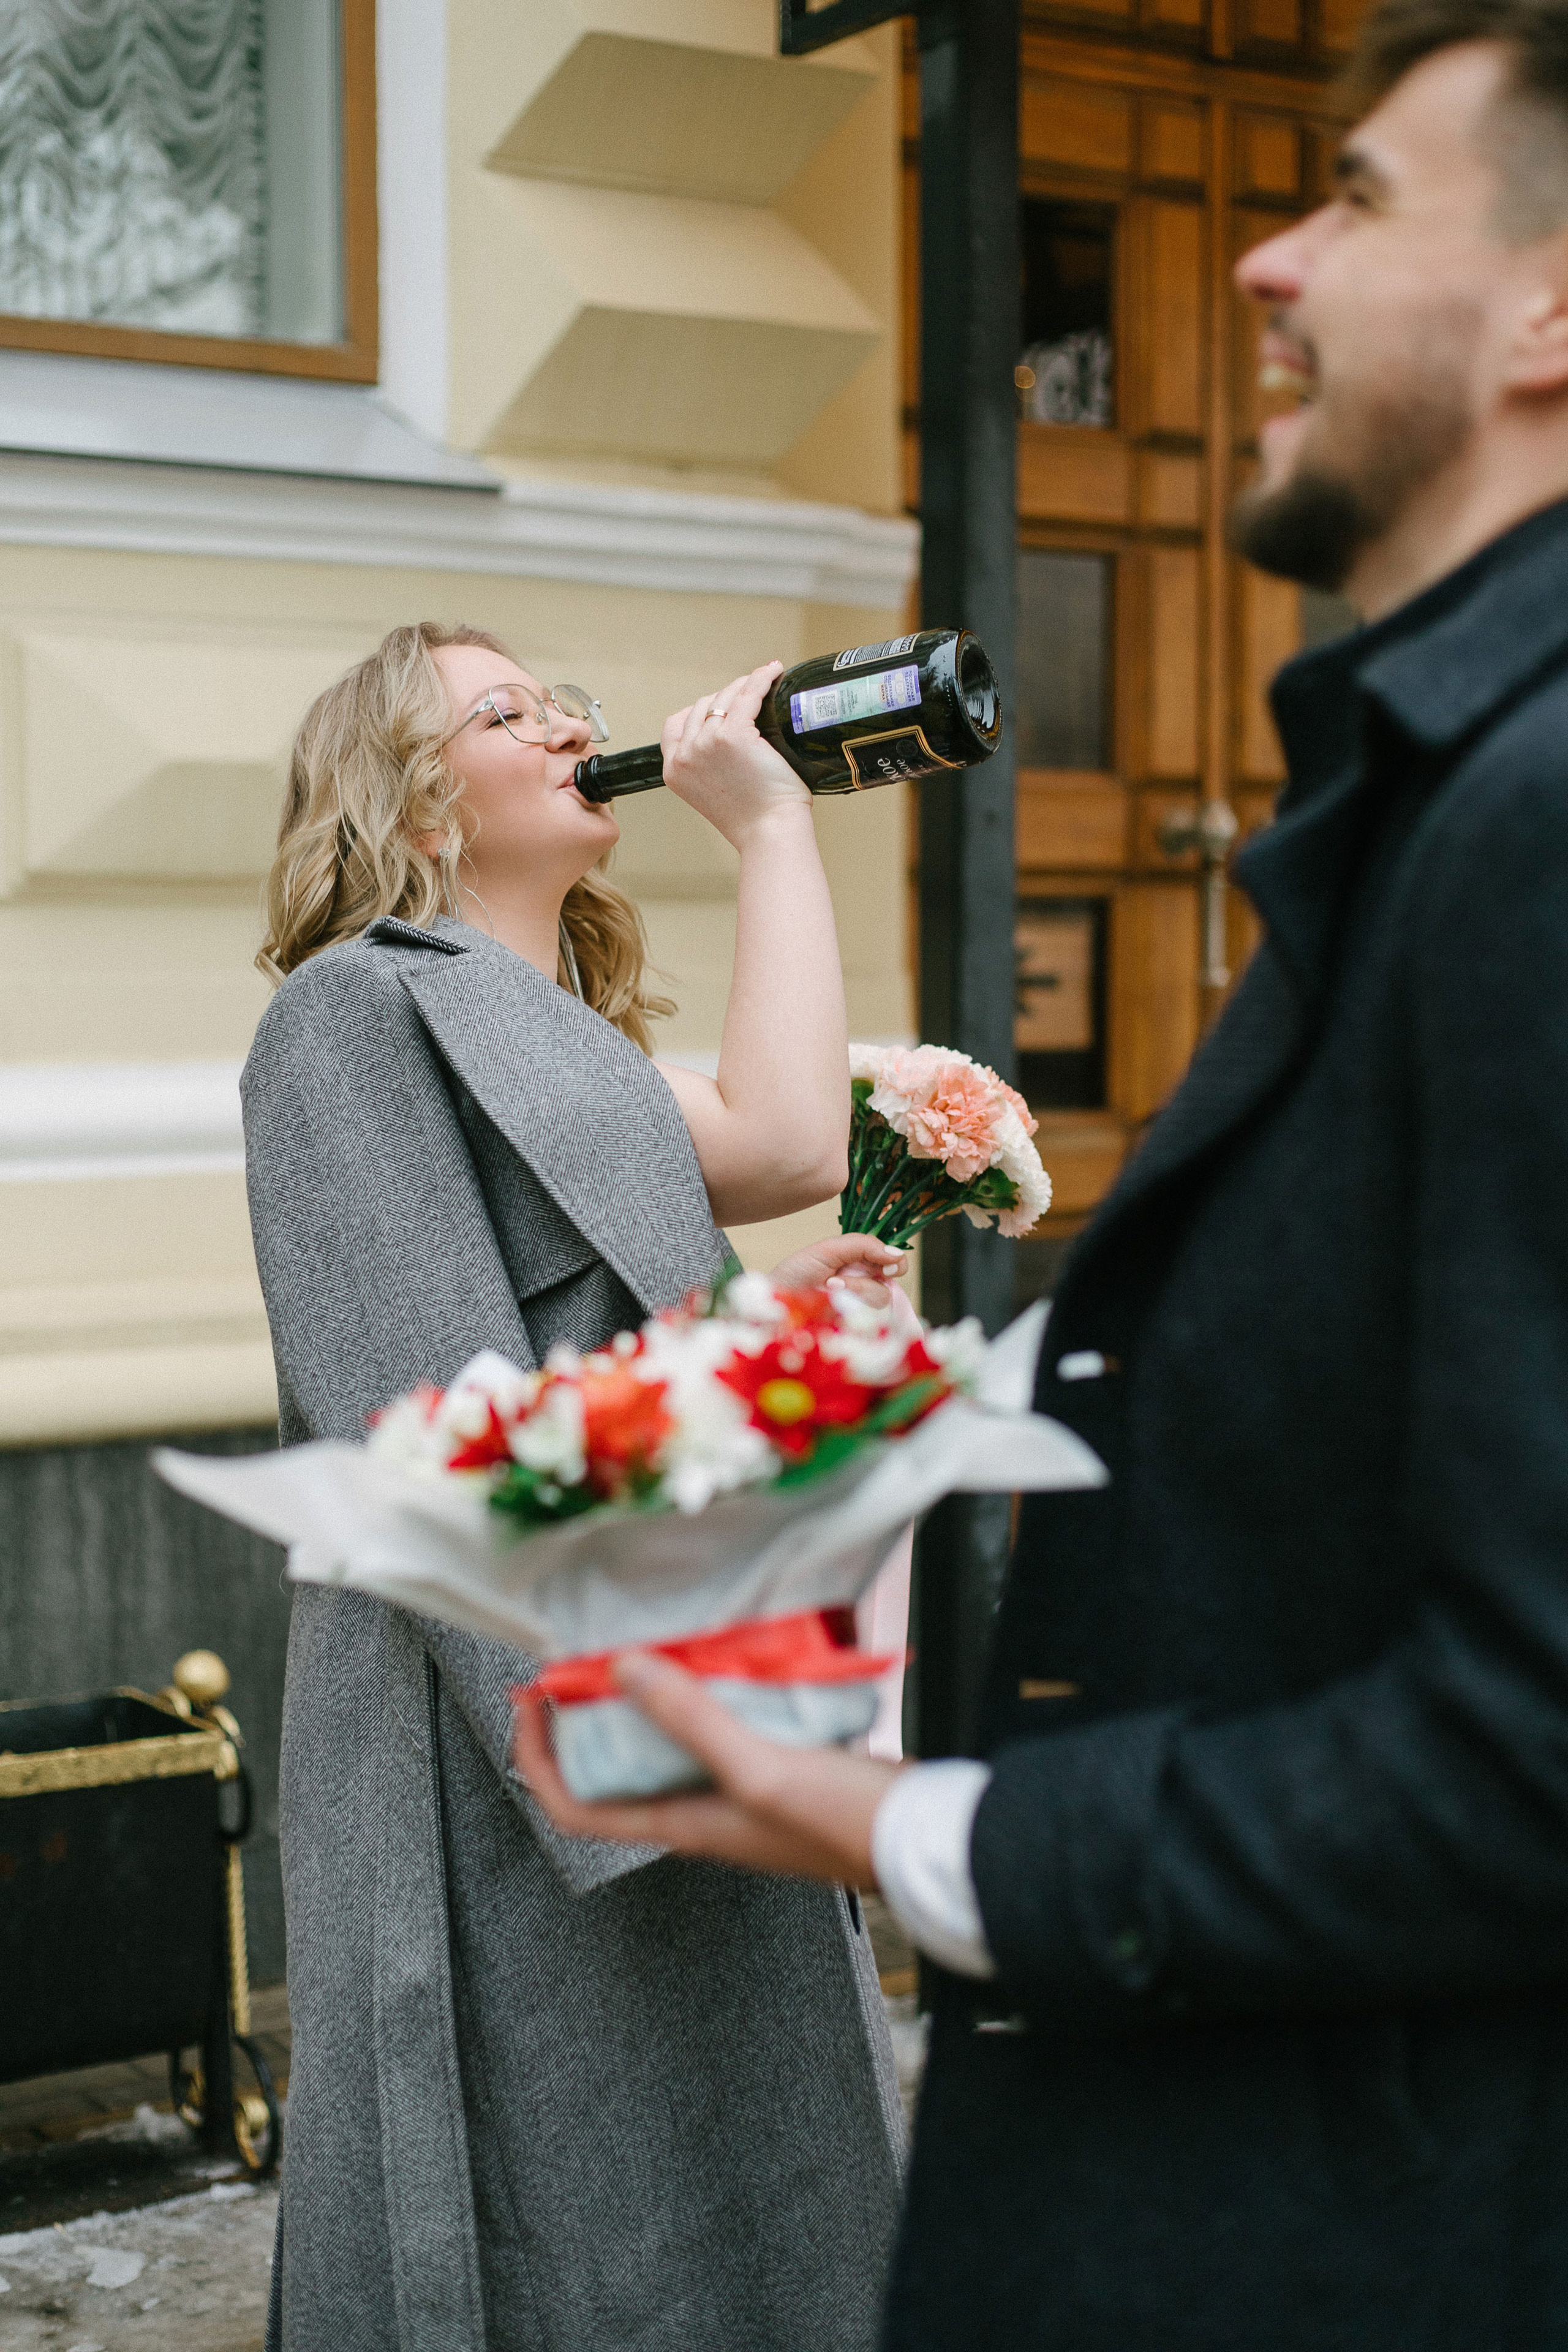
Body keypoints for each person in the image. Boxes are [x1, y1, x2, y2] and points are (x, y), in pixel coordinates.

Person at [514, 6, 1568, 2344]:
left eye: (1361, 198)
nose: (1265, 260)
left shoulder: (1538, 814)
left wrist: (913, 1830)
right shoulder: (1444, 780)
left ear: (1550, 312)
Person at [244, 623, 908, 2352]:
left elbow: (788, 1140)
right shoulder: (353, 1012)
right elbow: (421, 1411)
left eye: (563, 704)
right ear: (413, 801)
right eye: (504, 711)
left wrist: (773, 826)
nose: (564, 726)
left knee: (739, 2191)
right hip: (516, 1723)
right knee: (552, 2214)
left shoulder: (575, 1043)